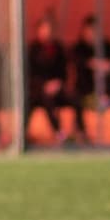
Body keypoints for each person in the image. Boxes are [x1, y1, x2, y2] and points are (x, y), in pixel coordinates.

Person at [25, 17, 76, 145]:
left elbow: (62, 71)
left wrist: (57, 83)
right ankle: (58, 133)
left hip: (56, 88)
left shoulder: (58, 48)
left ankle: (81, 133)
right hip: (37, 91)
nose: (46, 32)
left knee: (75, 99)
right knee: (42, 99)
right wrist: (43, 86)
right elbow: (30, 74)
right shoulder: (33, 49)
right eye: (44, 29)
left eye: (49, 29)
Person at [67, 15, 110, 142]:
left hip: (104, 91)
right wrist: (97, 64)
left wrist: (99, 66)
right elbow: (80, 64)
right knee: (76, 100)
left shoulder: (108, 46)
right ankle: (81, 133)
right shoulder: (78, 48)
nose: (93, 34)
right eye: (90, 31)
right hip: (84, 91)